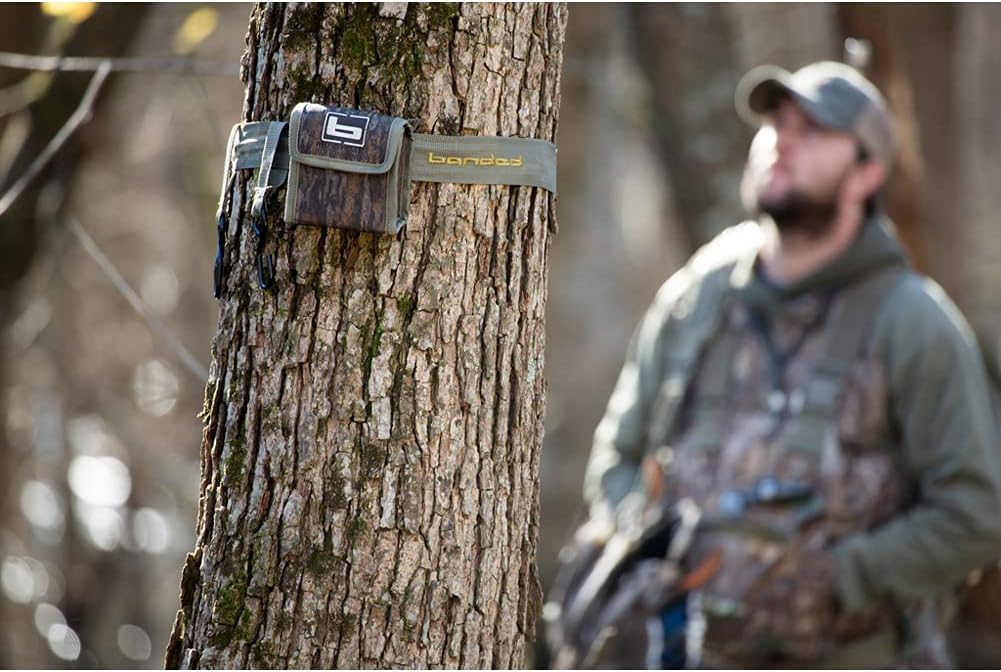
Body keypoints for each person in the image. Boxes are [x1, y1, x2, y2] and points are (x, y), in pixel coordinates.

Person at [580, 61, 1001, 668]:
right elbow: (617, 454)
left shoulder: (914, 322)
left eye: (814, 130)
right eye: (777, 122)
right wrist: (641, 545)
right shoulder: (700, 293)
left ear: (867, 172)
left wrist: (839, 578)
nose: (783, 140)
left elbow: (978, 514)